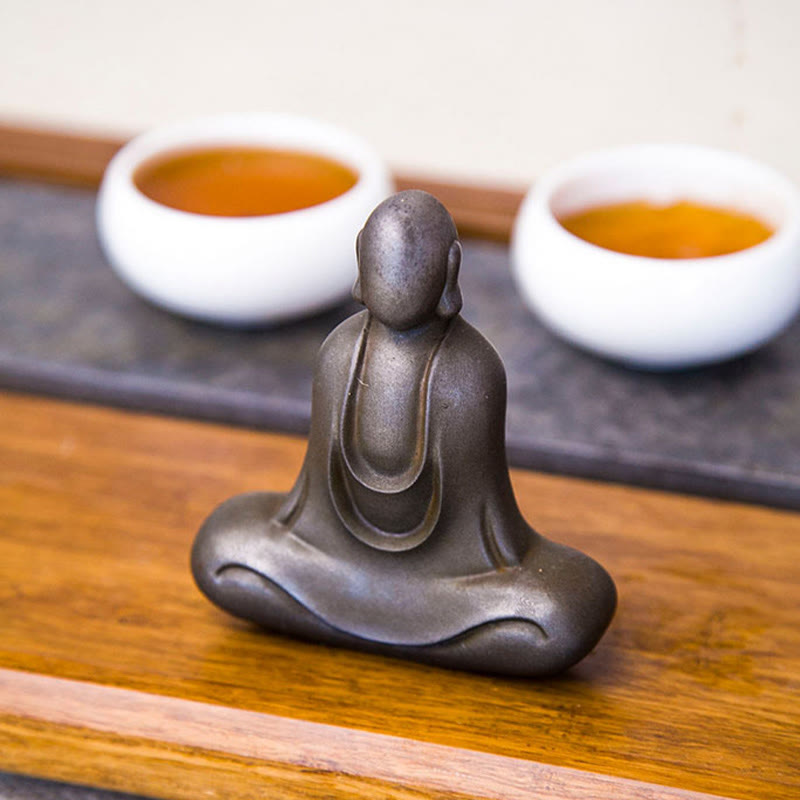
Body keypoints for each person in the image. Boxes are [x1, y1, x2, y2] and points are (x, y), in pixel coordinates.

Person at [192, 191, 616, 676]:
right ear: (360, 260)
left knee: (557, 615)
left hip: (451, 579)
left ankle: (371, 619)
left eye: (412, 264)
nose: (395, 279)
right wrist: (300, 538)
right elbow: (312, 499)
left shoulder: (471, 372)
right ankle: (381, 618)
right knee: (224, 549)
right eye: (383, 262)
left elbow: (484, 522)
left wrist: (492, 572)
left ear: (449, 269)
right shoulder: (339, 353)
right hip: (334, 562)